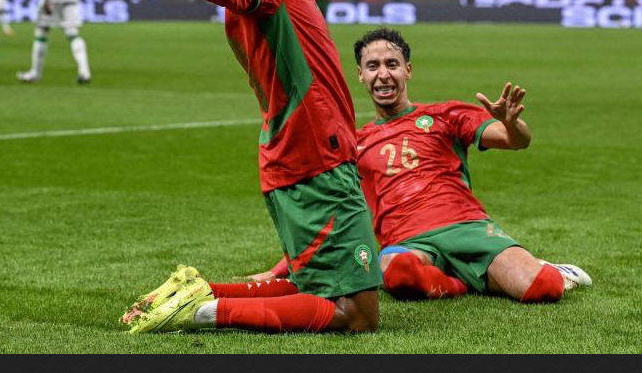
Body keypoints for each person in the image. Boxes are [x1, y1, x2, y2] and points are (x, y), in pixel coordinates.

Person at [122, 0, 380, 334]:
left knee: (311, 285)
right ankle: (202, 313)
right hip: (317, 159)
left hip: (298, 154)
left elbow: (240, 16)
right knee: (356, 315)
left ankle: (201, 292)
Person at [247, 28, 592, 303]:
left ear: (407, 70)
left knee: (543, 288)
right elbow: (334, 216)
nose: (383, 75)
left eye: (392, 64)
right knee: (397, 274)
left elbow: (515, 141)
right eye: (373, 67)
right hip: (408, 243)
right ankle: (462, 282)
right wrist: (280, 270)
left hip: (466, 226)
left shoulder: (445, 115)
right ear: (361, 76)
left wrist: (512, 123)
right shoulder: (355, 144)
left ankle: (552, 270)